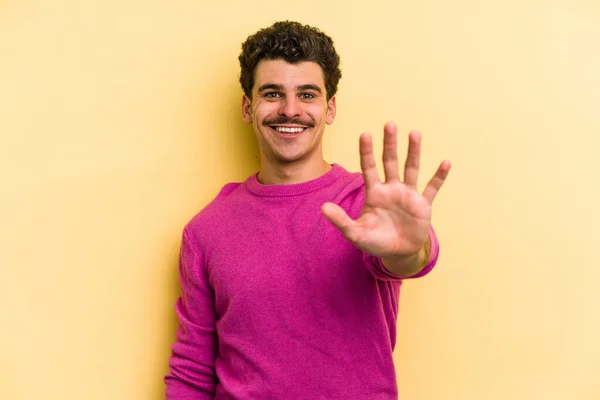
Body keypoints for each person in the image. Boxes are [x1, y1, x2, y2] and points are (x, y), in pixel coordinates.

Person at [164, 20, 451, 399]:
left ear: (329, 108)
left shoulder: (366, 206)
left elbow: (408, 258)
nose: (290, 110)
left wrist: (408, 251)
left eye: (307, 94)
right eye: (272, 93)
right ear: (248, 107)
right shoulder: (206, 230)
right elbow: (192, 372)